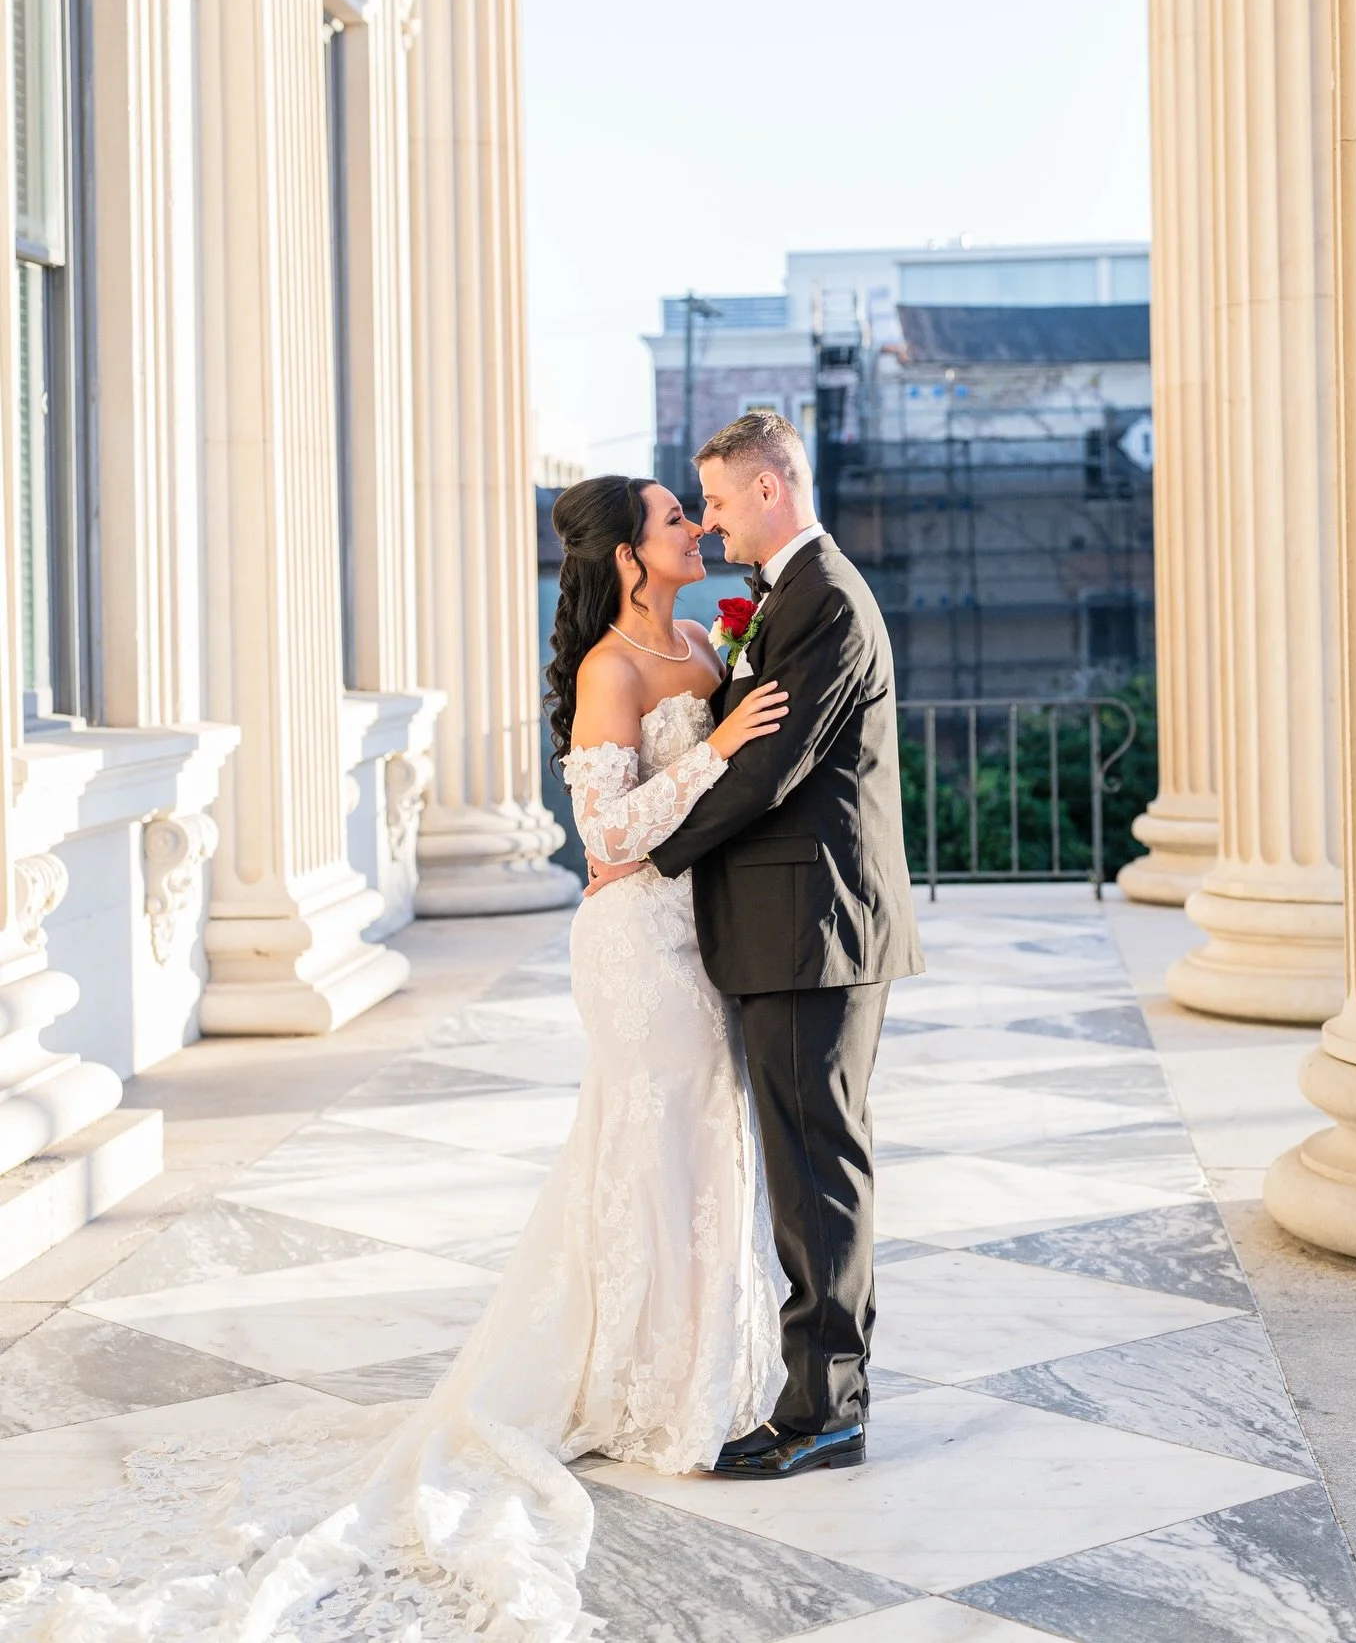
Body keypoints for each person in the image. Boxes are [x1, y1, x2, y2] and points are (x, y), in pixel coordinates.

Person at [0, 475, 793, 1642]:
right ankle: (642, 1386)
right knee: (649, 1146)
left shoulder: (692, 637)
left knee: (706, 1140)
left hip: (697, 932)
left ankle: (696, 1369)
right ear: (630, 556)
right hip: (635, 944)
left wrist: (724, 711)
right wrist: (718, 740)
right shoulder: (609, 671)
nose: (695, 528)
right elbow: (607, 837)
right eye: (676, 518)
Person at [587, 410, 923, 1480]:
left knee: (817, 1171)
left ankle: (826, 1406)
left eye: (719, 502)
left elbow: (765, 768)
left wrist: (645, 852)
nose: (713, 522)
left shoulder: (821, 598)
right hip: (787, 929)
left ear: (769, 490)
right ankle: (813, 1389)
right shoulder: (793, 597)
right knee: (800, 1165)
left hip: (810, 931)